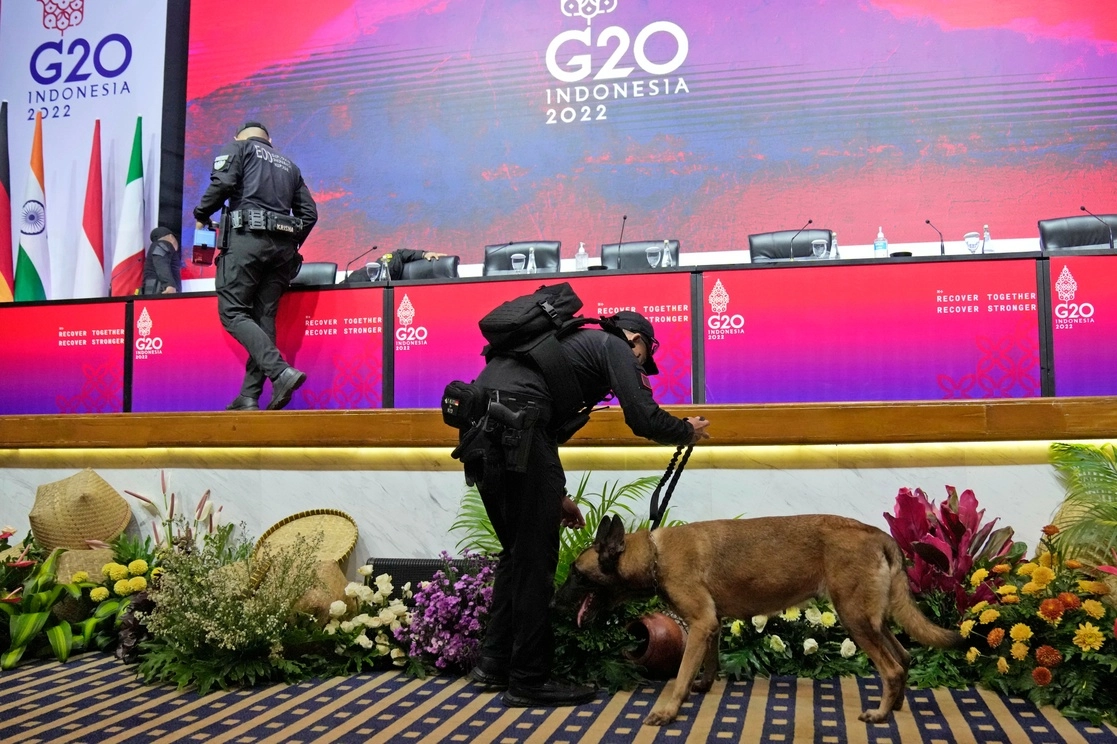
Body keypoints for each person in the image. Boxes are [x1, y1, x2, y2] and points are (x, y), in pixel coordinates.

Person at [462, 310, 710, 708]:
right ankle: (528, 679)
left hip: (482, 433)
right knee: (536, 561)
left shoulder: (559, 348)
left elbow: (544, 431)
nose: (640, 365)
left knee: (516, 555)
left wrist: (556, 494)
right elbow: (642, 417)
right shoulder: (614, 345)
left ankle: (494, 663)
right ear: (635, 340)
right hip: (516, 433)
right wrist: (686, 429)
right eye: (644, 355)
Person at [193, 121, 318, 412]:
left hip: (246, 242)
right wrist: (289, 239)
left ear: (237, 136)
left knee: (233, 312)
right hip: (282, 252)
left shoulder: (239, 148)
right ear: (269, 139)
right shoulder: (290, 166)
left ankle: (280, 372)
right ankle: (249, 396)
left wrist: (201, 214)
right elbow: (309, 214)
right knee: (264, 318)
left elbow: (223, 183)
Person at [141, 227, 182, 295]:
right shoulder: (163, 243)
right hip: (163, 291)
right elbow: (161, 263)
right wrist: (169, 284)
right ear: (171, 237)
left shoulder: (157, 246)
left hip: (157, 291)